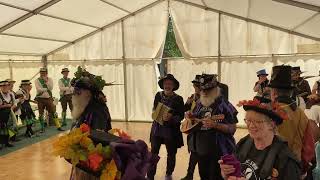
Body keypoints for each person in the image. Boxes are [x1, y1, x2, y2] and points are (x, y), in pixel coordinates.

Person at [219, 99, 301, 180]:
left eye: (257, 122)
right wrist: (226, 173)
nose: (251, 126)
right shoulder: (243, 143)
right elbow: (233, 174)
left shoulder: (285, 159)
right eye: (248, 121)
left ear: (271, 125)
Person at [185, 74, 238, 180]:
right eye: (202, 89)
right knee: (203, 176)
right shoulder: (199, 103)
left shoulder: (225, 105)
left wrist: (216, 125)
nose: (204, 92)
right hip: (200, 149)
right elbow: (195, 121)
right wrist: (190, 117)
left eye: (208, 89)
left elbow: (232, 128)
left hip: (219, 151)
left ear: (216, 89)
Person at [269, 65, 314, 176]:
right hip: (294, 168)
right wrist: (301, 169)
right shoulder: (302, 114)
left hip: (271, 169)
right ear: (290, 92)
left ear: (274, 93)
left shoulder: (268, 113)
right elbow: (309, 148)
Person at [70, 68, 113, 180]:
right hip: (82, 159)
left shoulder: (97, 110)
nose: (74, 94)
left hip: (91, 164)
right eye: (74, 91)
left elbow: (98, 139)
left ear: (88, 93)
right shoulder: (83, 106)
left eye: (78, 92)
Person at [147, 74, 184, 180]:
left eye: (170, 84)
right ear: (163, 85)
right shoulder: (158, 95)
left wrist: (171, 117)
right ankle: (150, 175)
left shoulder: (179, 99)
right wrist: (155, 113)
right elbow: (154, 109)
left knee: (171, 153)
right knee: (153, 153)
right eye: (165, 83)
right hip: (157, 129)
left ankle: (169, 173)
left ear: (173, 86)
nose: (167, 85)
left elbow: (181, 116)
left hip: (171, 130)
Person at [181, 75, 201, 180]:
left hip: (201, 129)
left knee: (199, 153)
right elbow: (185, 109)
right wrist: (187, 104)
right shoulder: (193, 97)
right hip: (192, 128)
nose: (195, 88)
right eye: (194, 86)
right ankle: (189, 175)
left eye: (196, 86)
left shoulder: (205, 98)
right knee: (193, 152)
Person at [35, 67, 63, 132]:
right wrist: (46, 89)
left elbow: (51, 87)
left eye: (44, 72)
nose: (43, 74)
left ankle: (58, 126)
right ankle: (42, 128)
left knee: (54, 111)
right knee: (41, 114)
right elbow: (38, 89)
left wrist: (46, 82)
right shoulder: (37, 80)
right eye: (42, 72)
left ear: (46, 73)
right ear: (40, 73)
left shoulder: (50, 79)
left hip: (48, 98)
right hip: (40, 99)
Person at [0, 80, 16, 148]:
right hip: (1, 113)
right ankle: (0, 144)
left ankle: (7, 142)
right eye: (3, 86)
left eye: (6, 86)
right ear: (0, 87)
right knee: (1, 128)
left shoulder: (11, 94)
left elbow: (14, 103)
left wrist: (11, 108)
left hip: (9, 112)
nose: (5, 87)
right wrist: (6, 106)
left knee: (9, 127)